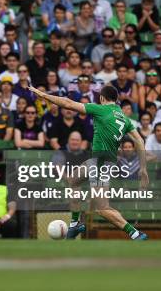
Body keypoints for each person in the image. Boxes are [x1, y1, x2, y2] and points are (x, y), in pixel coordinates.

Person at [29, 85, 149, 240]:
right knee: (74, 180)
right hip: (98, 161)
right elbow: (139, 140)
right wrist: (143, 168)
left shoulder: (101, 109)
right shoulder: (124, 118)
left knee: (102, 209)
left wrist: (43, 94)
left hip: (101, 164)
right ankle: (75, 224)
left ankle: (135, 233)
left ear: (102, 98)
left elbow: (68, 104)